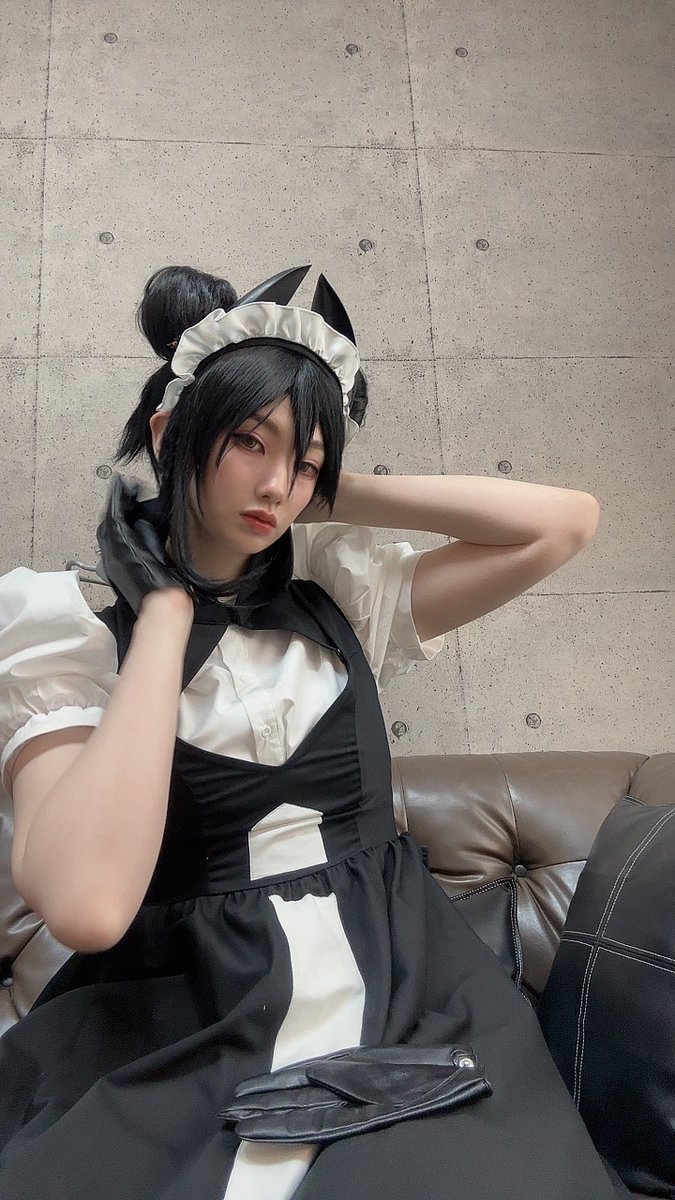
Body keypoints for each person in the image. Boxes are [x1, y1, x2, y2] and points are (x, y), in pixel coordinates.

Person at [0, 264, 627, 1200]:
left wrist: (324, 487)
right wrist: (164, 615)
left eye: (301, 462)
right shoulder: (68, 634)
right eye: (247, 442)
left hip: (414, 996)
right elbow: (88, 908)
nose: (272, 484)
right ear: (172, 433)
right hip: (190, 1018)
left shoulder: (337, 599)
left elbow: (562, 524)